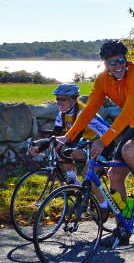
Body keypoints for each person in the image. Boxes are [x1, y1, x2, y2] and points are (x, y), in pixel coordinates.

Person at [55, 39, 134, 248]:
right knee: (114, 174)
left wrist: (103, 141)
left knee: (130, 152)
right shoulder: (103, 80)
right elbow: (89, 109)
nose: (118, 66)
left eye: (121, 60)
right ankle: (122, 230)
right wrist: (68, 136)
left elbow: (127, 112)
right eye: (112, 63)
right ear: (104, 65)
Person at [30, 82, 114, 216]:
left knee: (88, 174)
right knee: (62, 154)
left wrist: (49, 146)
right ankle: (75, 186)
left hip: (105, 144)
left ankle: (103, 206)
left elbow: (71, 140)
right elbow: (57, 136)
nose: (58, 102)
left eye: (62, 99)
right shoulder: (63, 113)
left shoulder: (81, 112)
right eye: (57, 99)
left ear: (74, 99)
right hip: (87, 142)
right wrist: (39, 147)